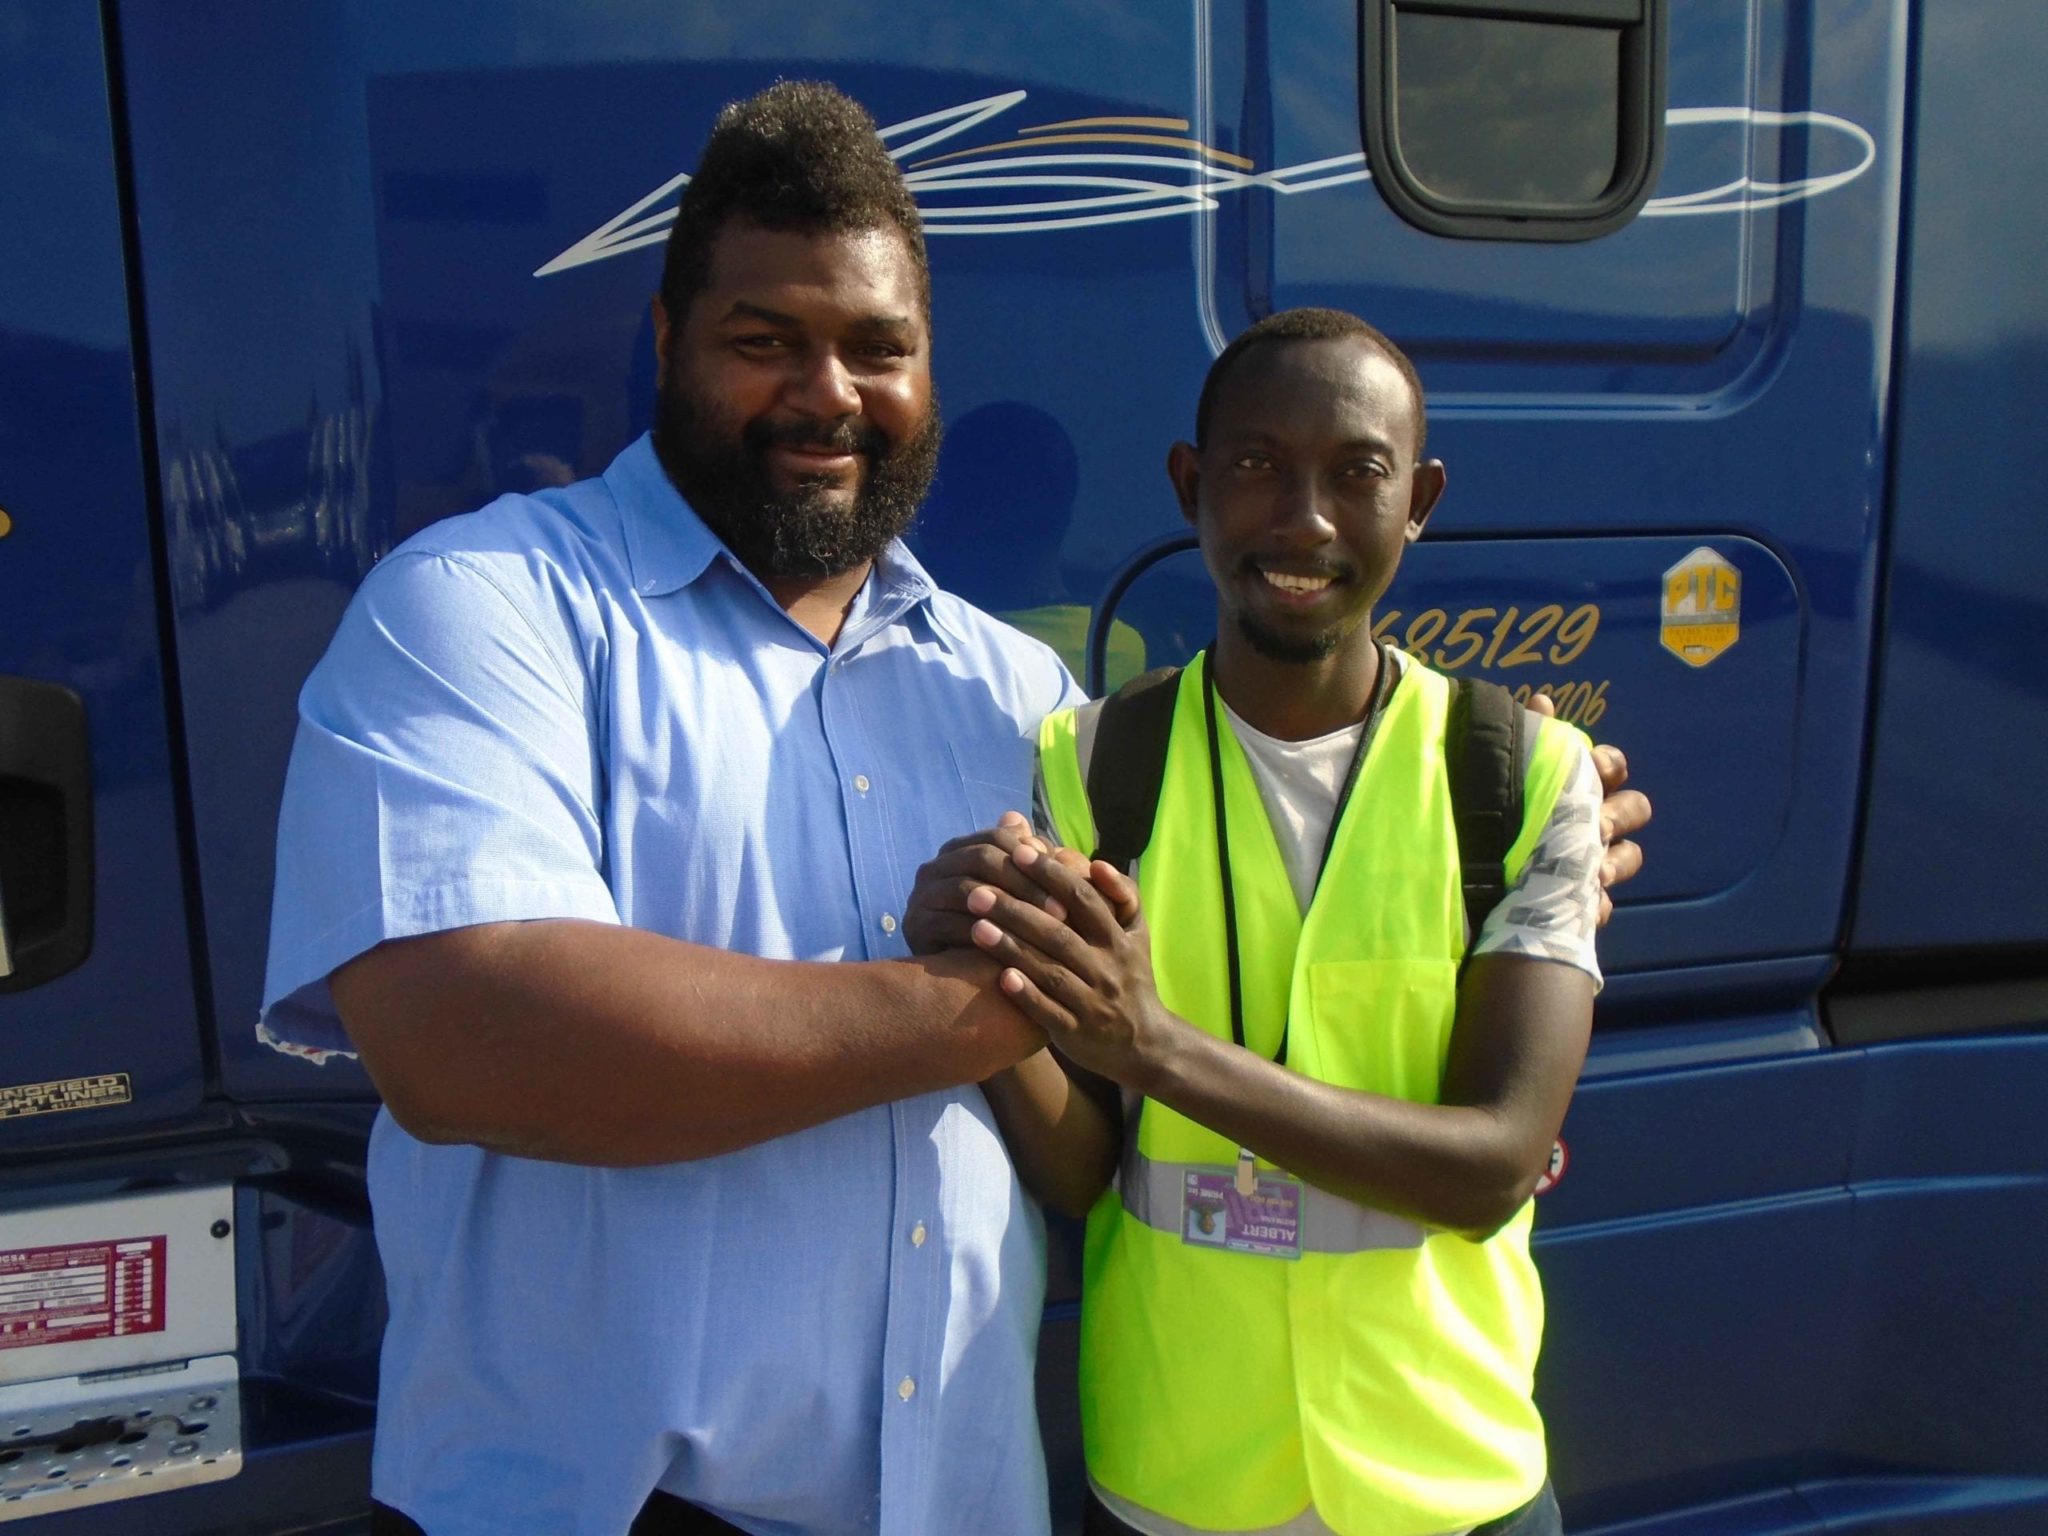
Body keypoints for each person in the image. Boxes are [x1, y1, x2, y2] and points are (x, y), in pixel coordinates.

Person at [259, 80, 1647, 1536]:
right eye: (765, 340)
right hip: (603, 1502)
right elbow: (464, 1040)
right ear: (666, 342)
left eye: (880, 348)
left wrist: (1525, 784)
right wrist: (984, 1009)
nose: (830, 393)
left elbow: (1178, 957)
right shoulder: (485, 611)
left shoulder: (1021, 697)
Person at [923, 309, 1607, 1536]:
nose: (1303, 520)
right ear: (1189, 486)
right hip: (1175, 1481)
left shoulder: (1523, 778)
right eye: (1254, 467)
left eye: (1357, 474)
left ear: (1420, 502)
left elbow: (1494, 1166)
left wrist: (1158, 1048)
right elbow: (1086, 1173)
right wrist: (983, 976)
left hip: (1442, 1483)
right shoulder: (1086, 770)